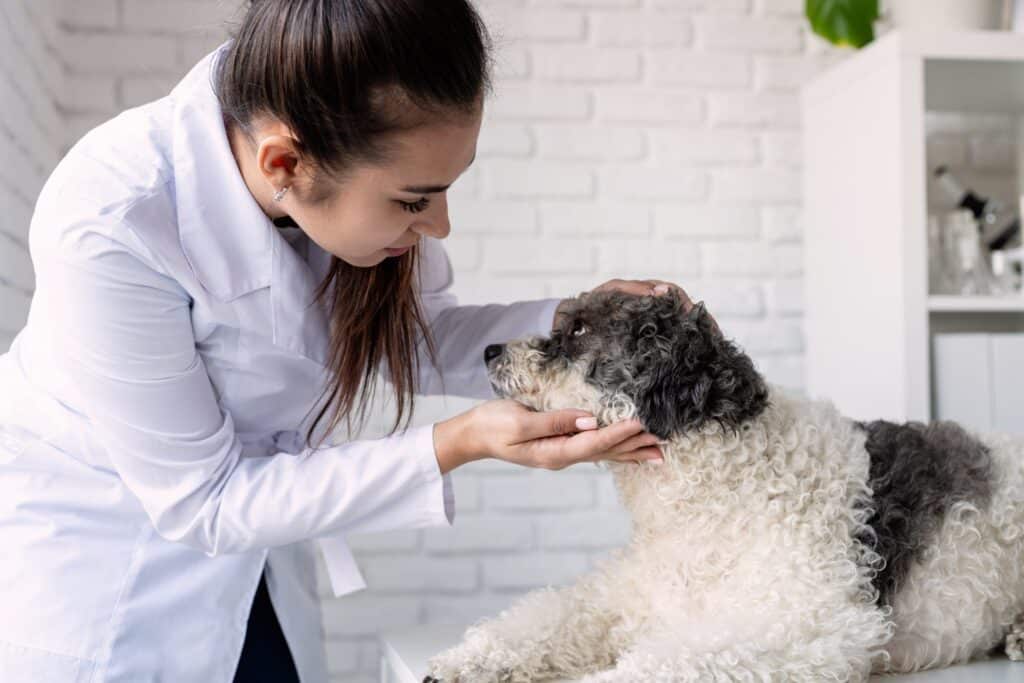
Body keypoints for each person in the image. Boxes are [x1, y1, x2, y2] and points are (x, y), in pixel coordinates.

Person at [0, 1, 697, 681]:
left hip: (257, 567)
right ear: (284, 165)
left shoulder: (337, 158)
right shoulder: (115, 218)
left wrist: (579, 321)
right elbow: (203, 500)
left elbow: (420, 340)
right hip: (115, 581)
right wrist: (461, 441)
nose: (440, 225)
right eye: (414, 199)